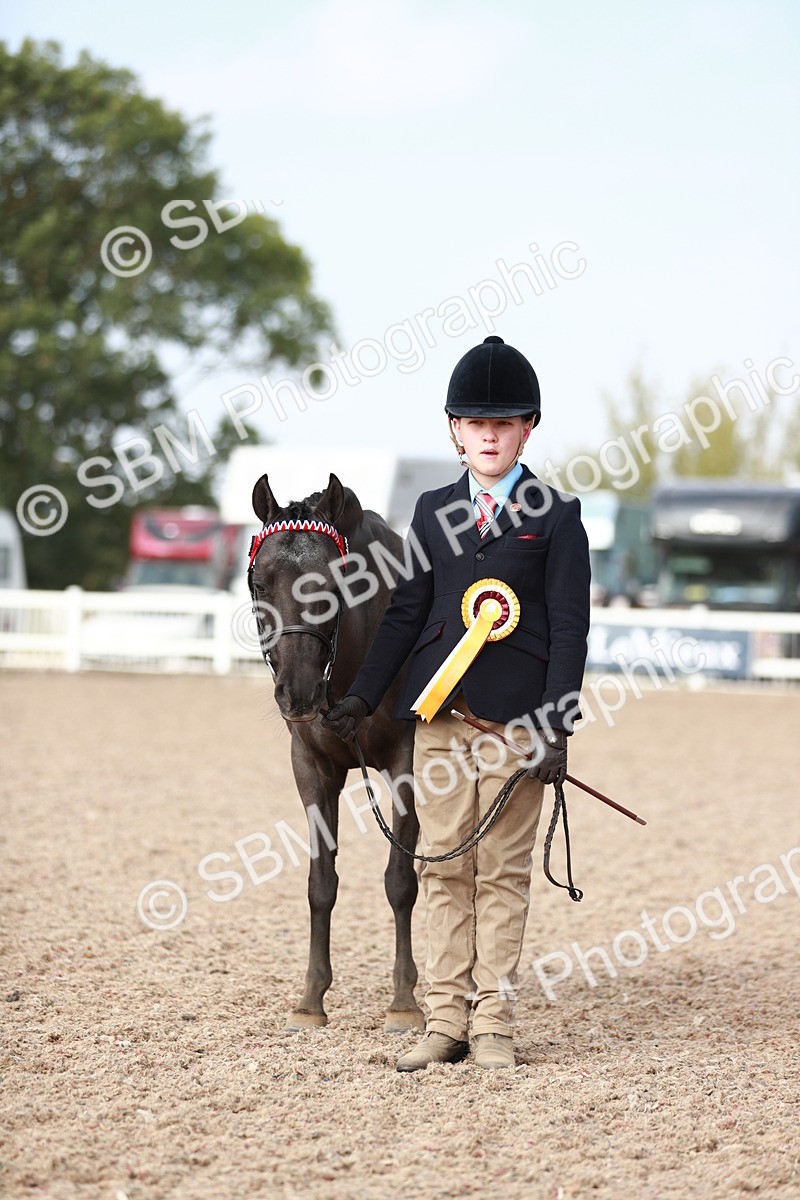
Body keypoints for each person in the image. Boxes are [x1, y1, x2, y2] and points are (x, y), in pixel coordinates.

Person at [323, 336, 591, 1071]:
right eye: (476, 423)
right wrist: (361, 696)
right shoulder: (434, 508)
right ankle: (444, 1021)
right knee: (441, 863)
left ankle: (495, 1022)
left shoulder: (557, 515)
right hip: (437, 721)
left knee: (501, 872)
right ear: (454, 430)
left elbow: (570, 627)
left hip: (515, 726)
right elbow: (406, 613)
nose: (489, 435)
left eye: (503, 423)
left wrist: (557, 725)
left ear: (528, 427)